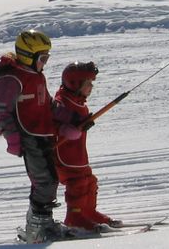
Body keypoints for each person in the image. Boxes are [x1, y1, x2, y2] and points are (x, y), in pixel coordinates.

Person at [0, 29, 65, 243]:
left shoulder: (35, 75)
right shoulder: (12, 78)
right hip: (28, 136)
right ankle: (36, 228)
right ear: (27, 56)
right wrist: (13, 138)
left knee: (49, 179)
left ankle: (43, 222)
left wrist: (70, 118)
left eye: (47, 58)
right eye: (43, 58)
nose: (45, 63)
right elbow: (2, 110)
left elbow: (48, 104)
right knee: (45, 181)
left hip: (42, 134)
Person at [52, 61, 120, 232]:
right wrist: (70, 126)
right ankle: (74, 217)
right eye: (88, 83)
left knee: (89, 181)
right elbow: (54, 119)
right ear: (75, 84)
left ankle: (88, 212)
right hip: (64, 155)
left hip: (78, 154)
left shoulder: (78, 102)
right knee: (78, 183)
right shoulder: (61, 102)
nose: (91, 87)